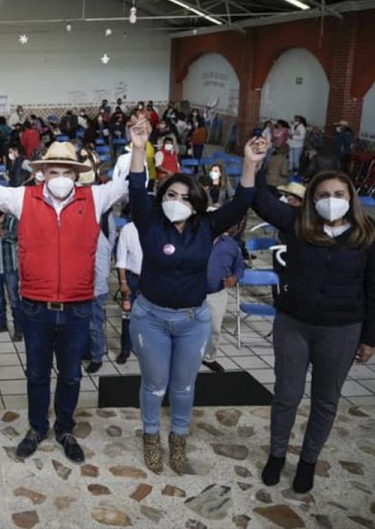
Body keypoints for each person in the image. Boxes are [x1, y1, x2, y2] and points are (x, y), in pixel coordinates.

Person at [0, 135, 139, 464]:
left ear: (76, 175)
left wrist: (138, 148)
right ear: (43, 174)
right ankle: (37, 427)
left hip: (78, 307)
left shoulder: (93, 198)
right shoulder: (25, 198)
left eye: (67, 171)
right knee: (36, 374)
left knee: (71, 376)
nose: (61, 178)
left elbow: (130, 185)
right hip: (36, 307)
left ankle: (64, 427)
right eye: (54, 172)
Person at [126, 119, 266, 476]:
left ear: (197, 202)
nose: (177, 202)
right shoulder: (149, 222)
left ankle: (179, 439)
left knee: (184, 385)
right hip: (151, 318)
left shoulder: (207, 226)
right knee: (155, 385)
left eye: (186, 197)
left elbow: (242, 203)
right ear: (162, 199)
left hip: (193, 320)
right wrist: (140, 149)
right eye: (171, 195)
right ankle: (151, 437)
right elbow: (137, 186)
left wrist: (249, 163)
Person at [253, 170, 374, 494]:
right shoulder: (298, 225)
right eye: (322, 195)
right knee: (286, 395)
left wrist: (370, 338)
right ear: (311, 199)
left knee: (325, 401)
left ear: (351, 198)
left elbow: (372, 289)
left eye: (339, 194)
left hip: (342, 330)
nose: (331, 201)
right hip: (294, 324)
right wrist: (255, 162)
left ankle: (307, 461)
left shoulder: (367, 235)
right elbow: (261, 202)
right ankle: (277, 455)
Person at [203, 228, 245, 373]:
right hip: (191, 292)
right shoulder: (194, 238)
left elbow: (239, 265)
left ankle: (209, 357)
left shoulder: (230, 244)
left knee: (214, 328)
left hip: (217, 293)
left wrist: (235, 277)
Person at [85, 211, 117, 374]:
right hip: (82, 289)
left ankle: (96, 357)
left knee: (94, 325)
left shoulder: (100, 242)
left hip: (95, 291)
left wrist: (93, 291)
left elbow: (103, 273)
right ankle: (87, 352)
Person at [0, 211, 22, 340]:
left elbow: (14, 237)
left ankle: (19, 328)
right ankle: (1, 324)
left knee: (14, 299)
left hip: (9, 266)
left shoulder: (12, 220)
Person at [115, 219, 142, 364]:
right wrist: (123, 282)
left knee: (151, 317)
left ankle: (145, 348)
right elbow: (121, 259)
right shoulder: (128, 229)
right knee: (127, 316)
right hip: (132, 279)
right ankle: (125, 349)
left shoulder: (157, 226)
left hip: (152, 280)